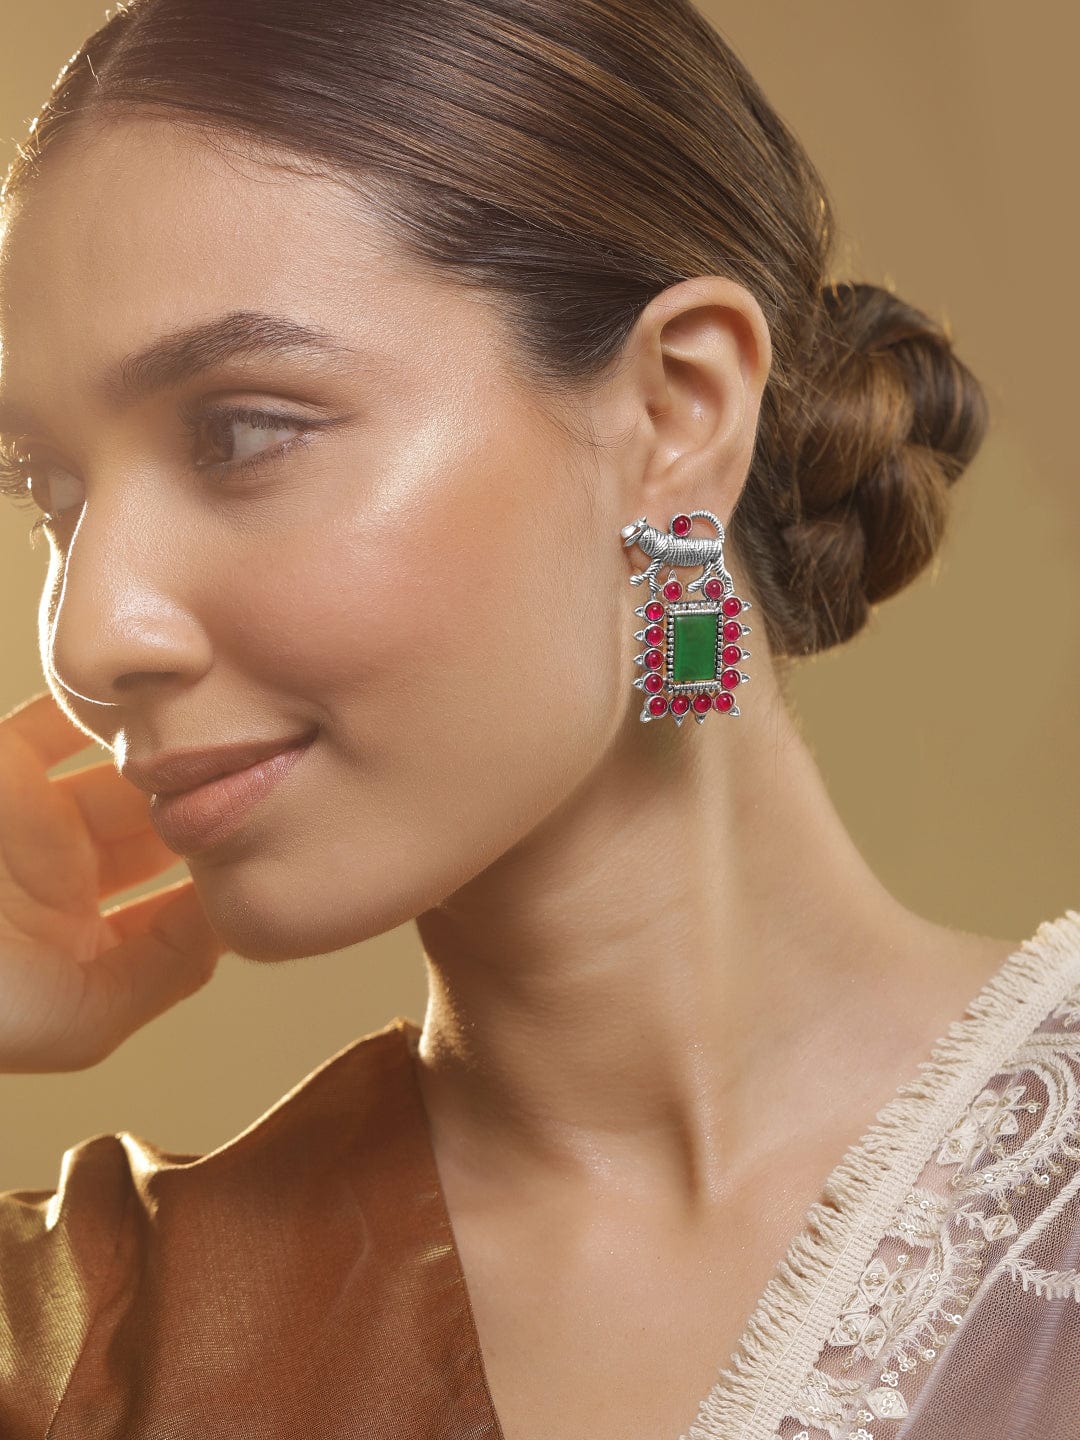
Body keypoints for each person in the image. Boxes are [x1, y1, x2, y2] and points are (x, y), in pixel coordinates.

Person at [0, 1, 1076, 1437]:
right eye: (51, 492)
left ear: (679, 410)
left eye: (240, 431)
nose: (91, 634)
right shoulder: (86, 1346)